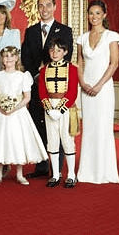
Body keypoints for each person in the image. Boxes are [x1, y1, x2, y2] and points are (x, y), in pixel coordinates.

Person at [0, 46, 48, 185]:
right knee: (0, 140)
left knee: (17, 140)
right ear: (2, 59)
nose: (8, 58)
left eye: (11, 56)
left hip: (18, 113)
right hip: (0, 112)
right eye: (6, 56)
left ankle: (19, 174)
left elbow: (27, 97)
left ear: (16, 58)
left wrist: (14, 108)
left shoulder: (22, 76)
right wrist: (0, 107)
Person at [21, 0, 72, 178]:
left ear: (54, 7)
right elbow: (25, 56)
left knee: (56, 125)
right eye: (41, 6)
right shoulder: (31, 30)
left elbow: (68, 56)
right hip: (35, 85)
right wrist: (37, 74)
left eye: (48, 5)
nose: (44, 9)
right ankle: (41, 166)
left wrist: (48, 71)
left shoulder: (65, 30)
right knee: (38, 125)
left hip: (56, 86)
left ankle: (56, 168)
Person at [76, 0, 119, 184]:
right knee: (89, 128)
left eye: (97, 13)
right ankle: (86, 171)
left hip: (103, 89)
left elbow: (114, 63)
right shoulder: (82, 38)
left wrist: (100, 85)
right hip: (86, 87)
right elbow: (79, 63)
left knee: (102, 127)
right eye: (91, 13)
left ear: (104, 15)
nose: (93, 17)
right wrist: (83, 83)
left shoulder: (111, 36)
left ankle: (104, 171)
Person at [38, 38, 79, 188]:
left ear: (65, 52)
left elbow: (73, 91)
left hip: (66, 108)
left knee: (68, 141)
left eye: (59, 50)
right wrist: (49, 108)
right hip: (50, 107)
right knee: (52, 141)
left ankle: (71, 175)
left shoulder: (72, 69)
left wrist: (60, 109)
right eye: (52, 50)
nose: (54, 53)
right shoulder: (44, 69)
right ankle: (55, 174)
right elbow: (42, 91)